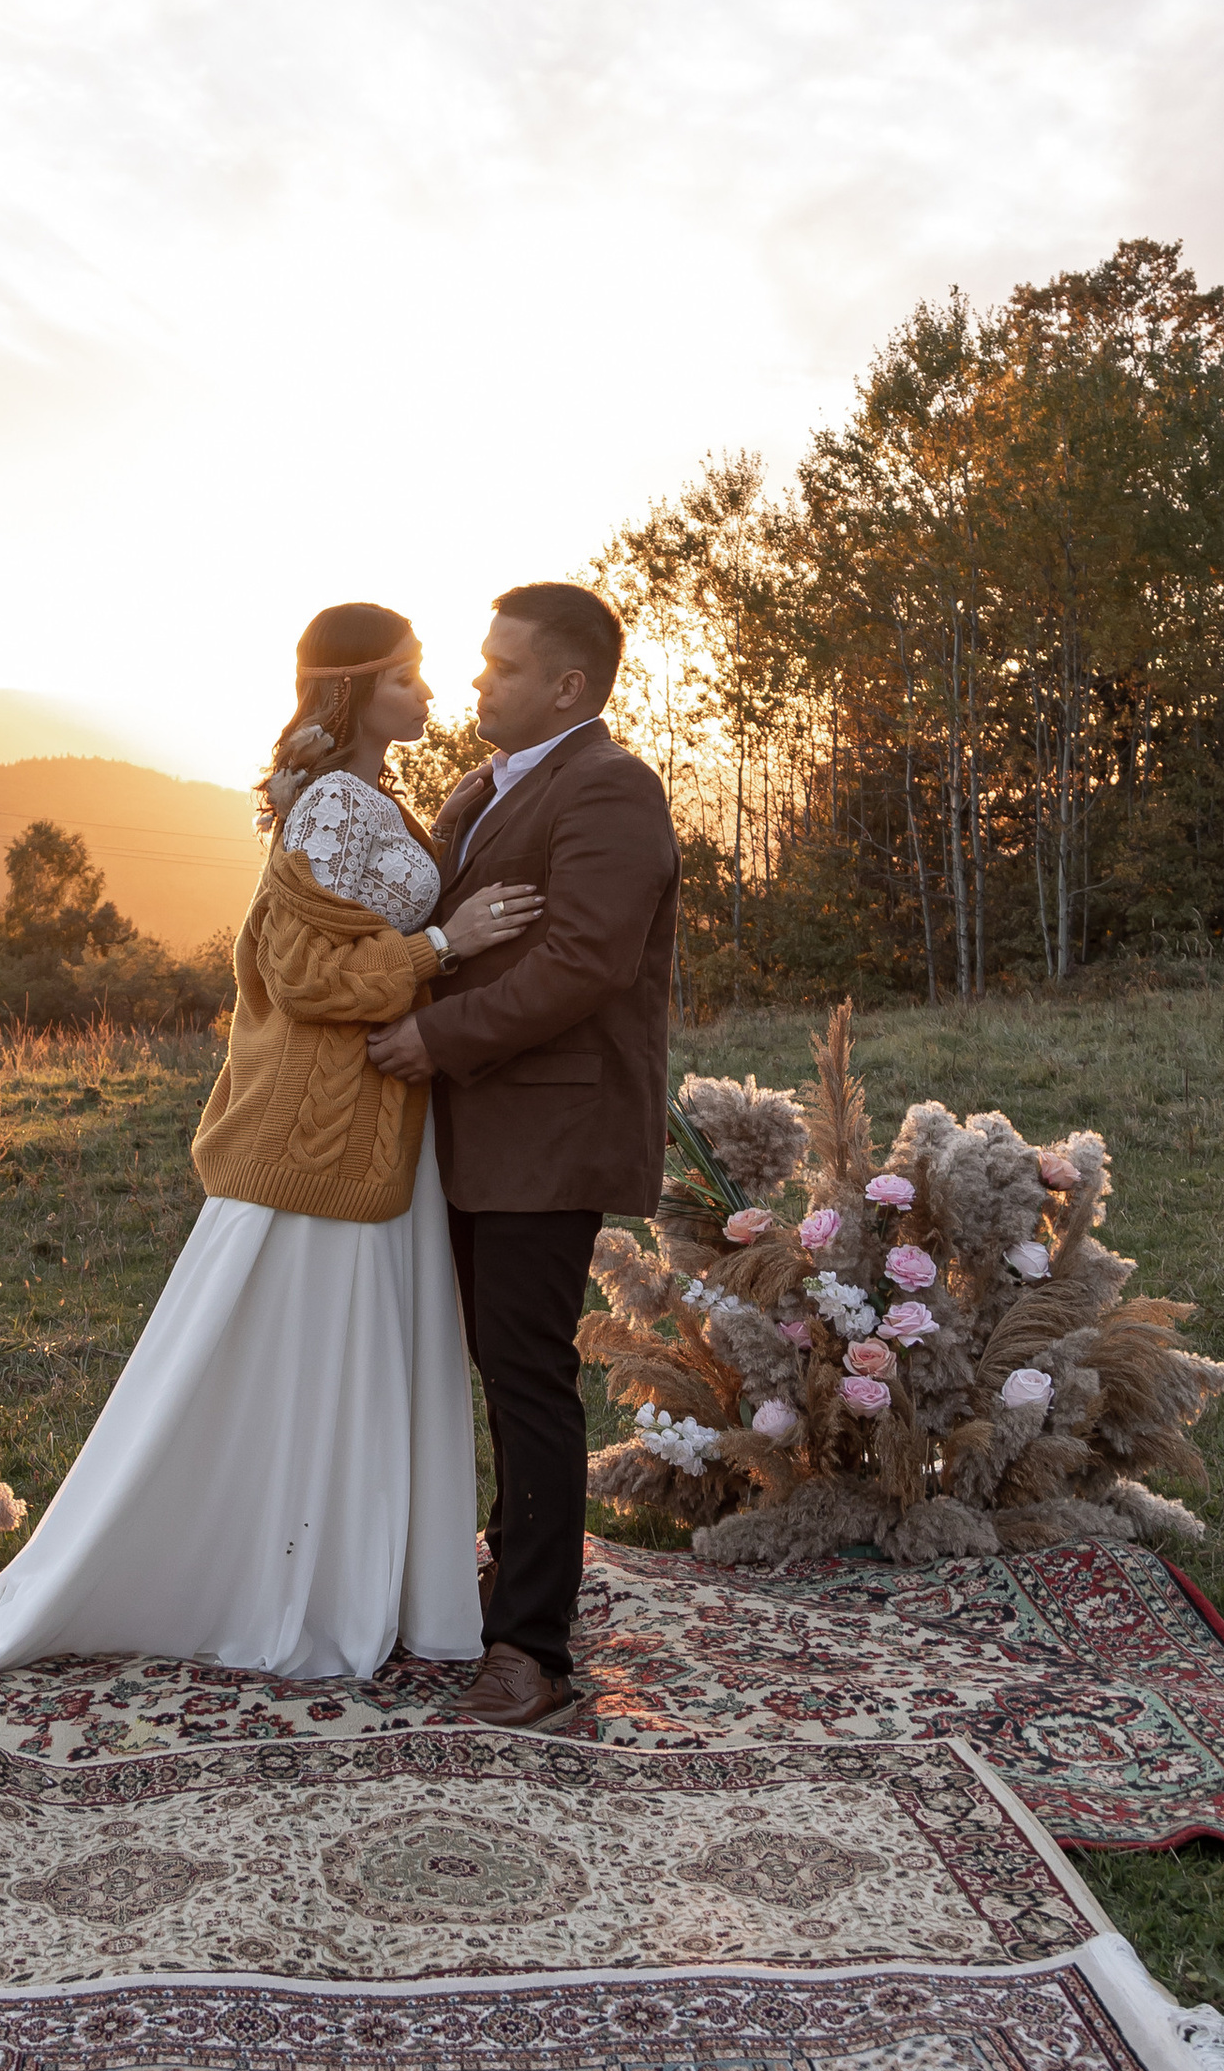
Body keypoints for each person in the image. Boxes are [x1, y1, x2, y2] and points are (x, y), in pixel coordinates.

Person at [0, 602, 542, 1721]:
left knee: (341, 1349)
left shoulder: (362, 797)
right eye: (408, 679)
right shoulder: (328, 803)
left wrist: (454, 829)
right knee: (307, 1347)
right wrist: (444, 947)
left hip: (374, 1122)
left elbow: (371, 908)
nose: (429, 696)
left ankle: (338, 1567)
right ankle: (290, 1583)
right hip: (319, 1130)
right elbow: (313, 976)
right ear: (356, 690)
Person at [367, 582, 680, 1729]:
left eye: (502, 667)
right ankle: (500, 1563)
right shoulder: (477, 788)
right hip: (462, 1127)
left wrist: (431, 1037)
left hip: (544, 1132)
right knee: (478, 1363)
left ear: (567, 685)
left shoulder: (611, 786)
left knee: (527, 1376)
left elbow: (586, 961)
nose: (477, 681)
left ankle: (532, 1653)